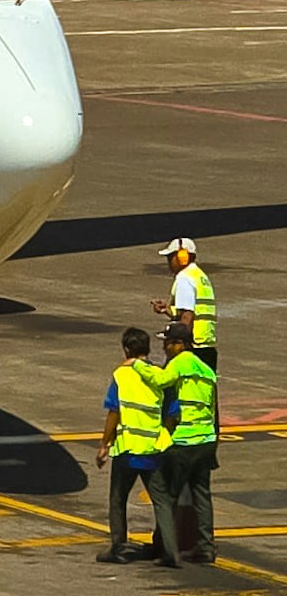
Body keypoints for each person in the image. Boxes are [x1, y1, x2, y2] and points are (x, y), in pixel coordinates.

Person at [97, 324, 170, 563]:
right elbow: (172, 411)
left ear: (126, 349)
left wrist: (104, 444)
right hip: (152, 449)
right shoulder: (158, 375)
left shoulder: (121, 375)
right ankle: (168, 548)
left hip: (128, 449)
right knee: (161, 501)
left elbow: (113, 413)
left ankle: (119, 548)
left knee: (118, 499)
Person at [155, 326, 221, 567]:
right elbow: (214, 409)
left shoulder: (179, 363)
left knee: (167, 495)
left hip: (182, 441)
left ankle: (165, 546)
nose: (164, 347)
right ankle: (206, 547)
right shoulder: (206, 370)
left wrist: (137, 366)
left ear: (179, 344)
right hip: (205, 440)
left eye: (167, 342)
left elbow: (159, 383)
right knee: (202, 495)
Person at [156, 238, 219, 383]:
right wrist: (168, 310)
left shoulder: (185, 278)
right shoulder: (200, 276)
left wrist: (180, 346)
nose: (169, 262)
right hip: (206, 345)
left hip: (192, 348)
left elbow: (187, 316)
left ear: (181, 257)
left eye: (171, 257)